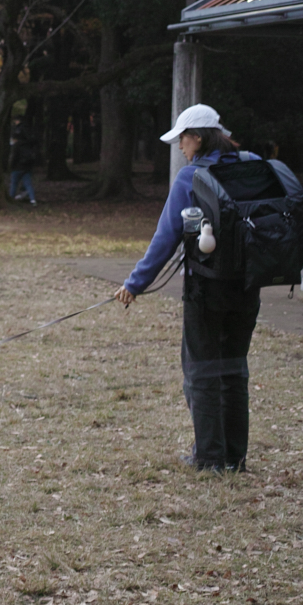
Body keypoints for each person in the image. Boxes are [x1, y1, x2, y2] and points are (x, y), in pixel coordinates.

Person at [113, 104, 261, 473]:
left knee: (202, 369)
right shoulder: (253, 163)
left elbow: (166, 237)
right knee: (234, 368)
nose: (180, 147)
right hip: (249, 284)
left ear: (197, 138)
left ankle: (209, 456)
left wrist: (135, 283)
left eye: (182, 139)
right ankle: (235, 457)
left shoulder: (191, 177)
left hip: (206, 289)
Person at [8, 125, 38, 206]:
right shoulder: (27, 145)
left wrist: (11, 166)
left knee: (14, 184)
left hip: (17, 168)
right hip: (27, 168)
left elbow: (14, 157)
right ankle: (33, 200)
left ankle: (11, 198)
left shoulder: (16, 146)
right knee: (28, 184)